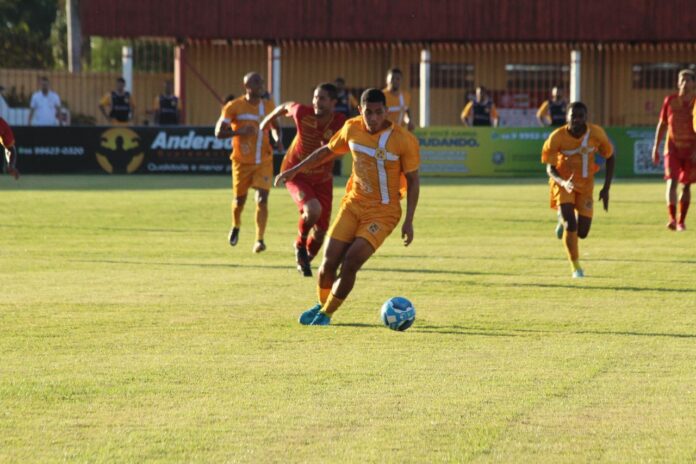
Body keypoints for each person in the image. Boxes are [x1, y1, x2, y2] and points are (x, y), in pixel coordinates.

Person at [274, 88, 420, 326]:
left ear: (386, 111)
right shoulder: (352, 129)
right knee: (326, 265)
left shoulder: (403, 140)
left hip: (384, 213)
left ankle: (326, 314)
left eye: (378, 112)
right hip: (353, 205)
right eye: (368, 112)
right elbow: (326, 151)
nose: (373, 118)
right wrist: (294, 170)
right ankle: (322, 305)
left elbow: (414, 181)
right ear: (360, 110)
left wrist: (409, 220)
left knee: (350, 262)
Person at [260, 83, 347, 276]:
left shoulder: (341, 122)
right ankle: (299, 244)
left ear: (333, 102)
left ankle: (305, 260)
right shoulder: (302, 112)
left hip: (323, 179)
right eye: (315, 97)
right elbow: (284, 107)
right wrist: (265, 122)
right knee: (313, 210)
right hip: (294, 173)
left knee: (321, 232)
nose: (317, 102)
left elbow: (346, 146)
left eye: (322, 98)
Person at [542, 101, 614, 278]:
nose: (577, 119)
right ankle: (576, 267)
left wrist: (606, 188)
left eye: (581, 116)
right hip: (563, 183)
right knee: (570, 224)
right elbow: (550, 168)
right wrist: (563, 182)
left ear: (586, 118)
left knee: (582, 232)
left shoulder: (596, 134)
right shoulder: (556, 137)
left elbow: (610, 157)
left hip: (586, 185)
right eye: (573, 116)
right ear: (567, 117)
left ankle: (562, 219)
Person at [215, 72, 281, 253]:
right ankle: (236, 225)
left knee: (262, 199)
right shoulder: (234, 106)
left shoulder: (268, 106)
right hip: (241, 162)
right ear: (248, 87)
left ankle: (259, 240)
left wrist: (277, 139)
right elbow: (218, 132)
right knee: (239, 200)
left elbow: (276, 127)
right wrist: (239, 132)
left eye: (262, 83)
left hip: (264, 160)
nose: (262, 86)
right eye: (258, 84)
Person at [651, 69, 696, 231]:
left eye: (688, 80)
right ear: (678, 83)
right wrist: (656, 147)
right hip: (672, 149)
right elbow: (662, 124)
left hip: (691, 151)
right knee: (672, 182)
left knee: (686, 186)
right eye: (682, 80)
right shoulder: (669, 101)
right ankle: (671, 219)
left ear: (693, 83)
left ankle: (681, 221)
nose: (685, 83)